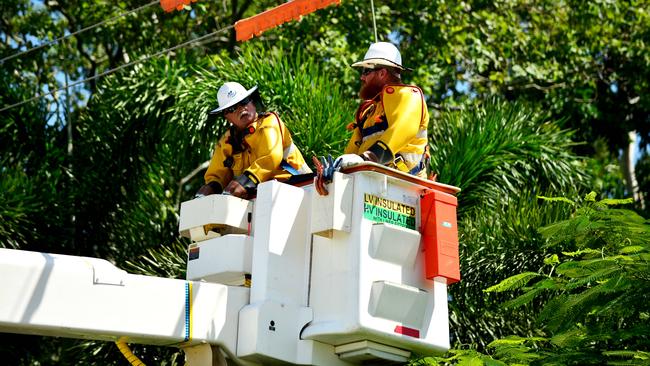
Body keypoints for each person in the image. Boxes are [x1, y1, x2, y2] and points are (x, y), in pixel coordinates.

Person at [328, 42, 430, 179]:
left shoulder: (409, 96)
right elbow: (351, 153)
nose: (362, 77)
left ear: (382, 73)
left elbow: (401, 130)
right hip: (370, 182)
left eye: (366, 71)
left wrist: (368, 158)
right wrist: (335, 171)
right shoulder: (368, 112)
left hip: (405, 186)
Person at [195, 82, 312, 200]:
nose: (241, 109)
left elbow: (271, 157)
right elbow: (216, 174)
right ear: (226, 117)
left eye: (244, 101)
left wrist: (246, 181)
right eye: (232, 108)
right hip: (260, 198)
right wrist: (211, 187)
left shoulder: (269, 123)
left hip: (301, 189)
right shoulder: (227, 141)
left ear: (252, 102)